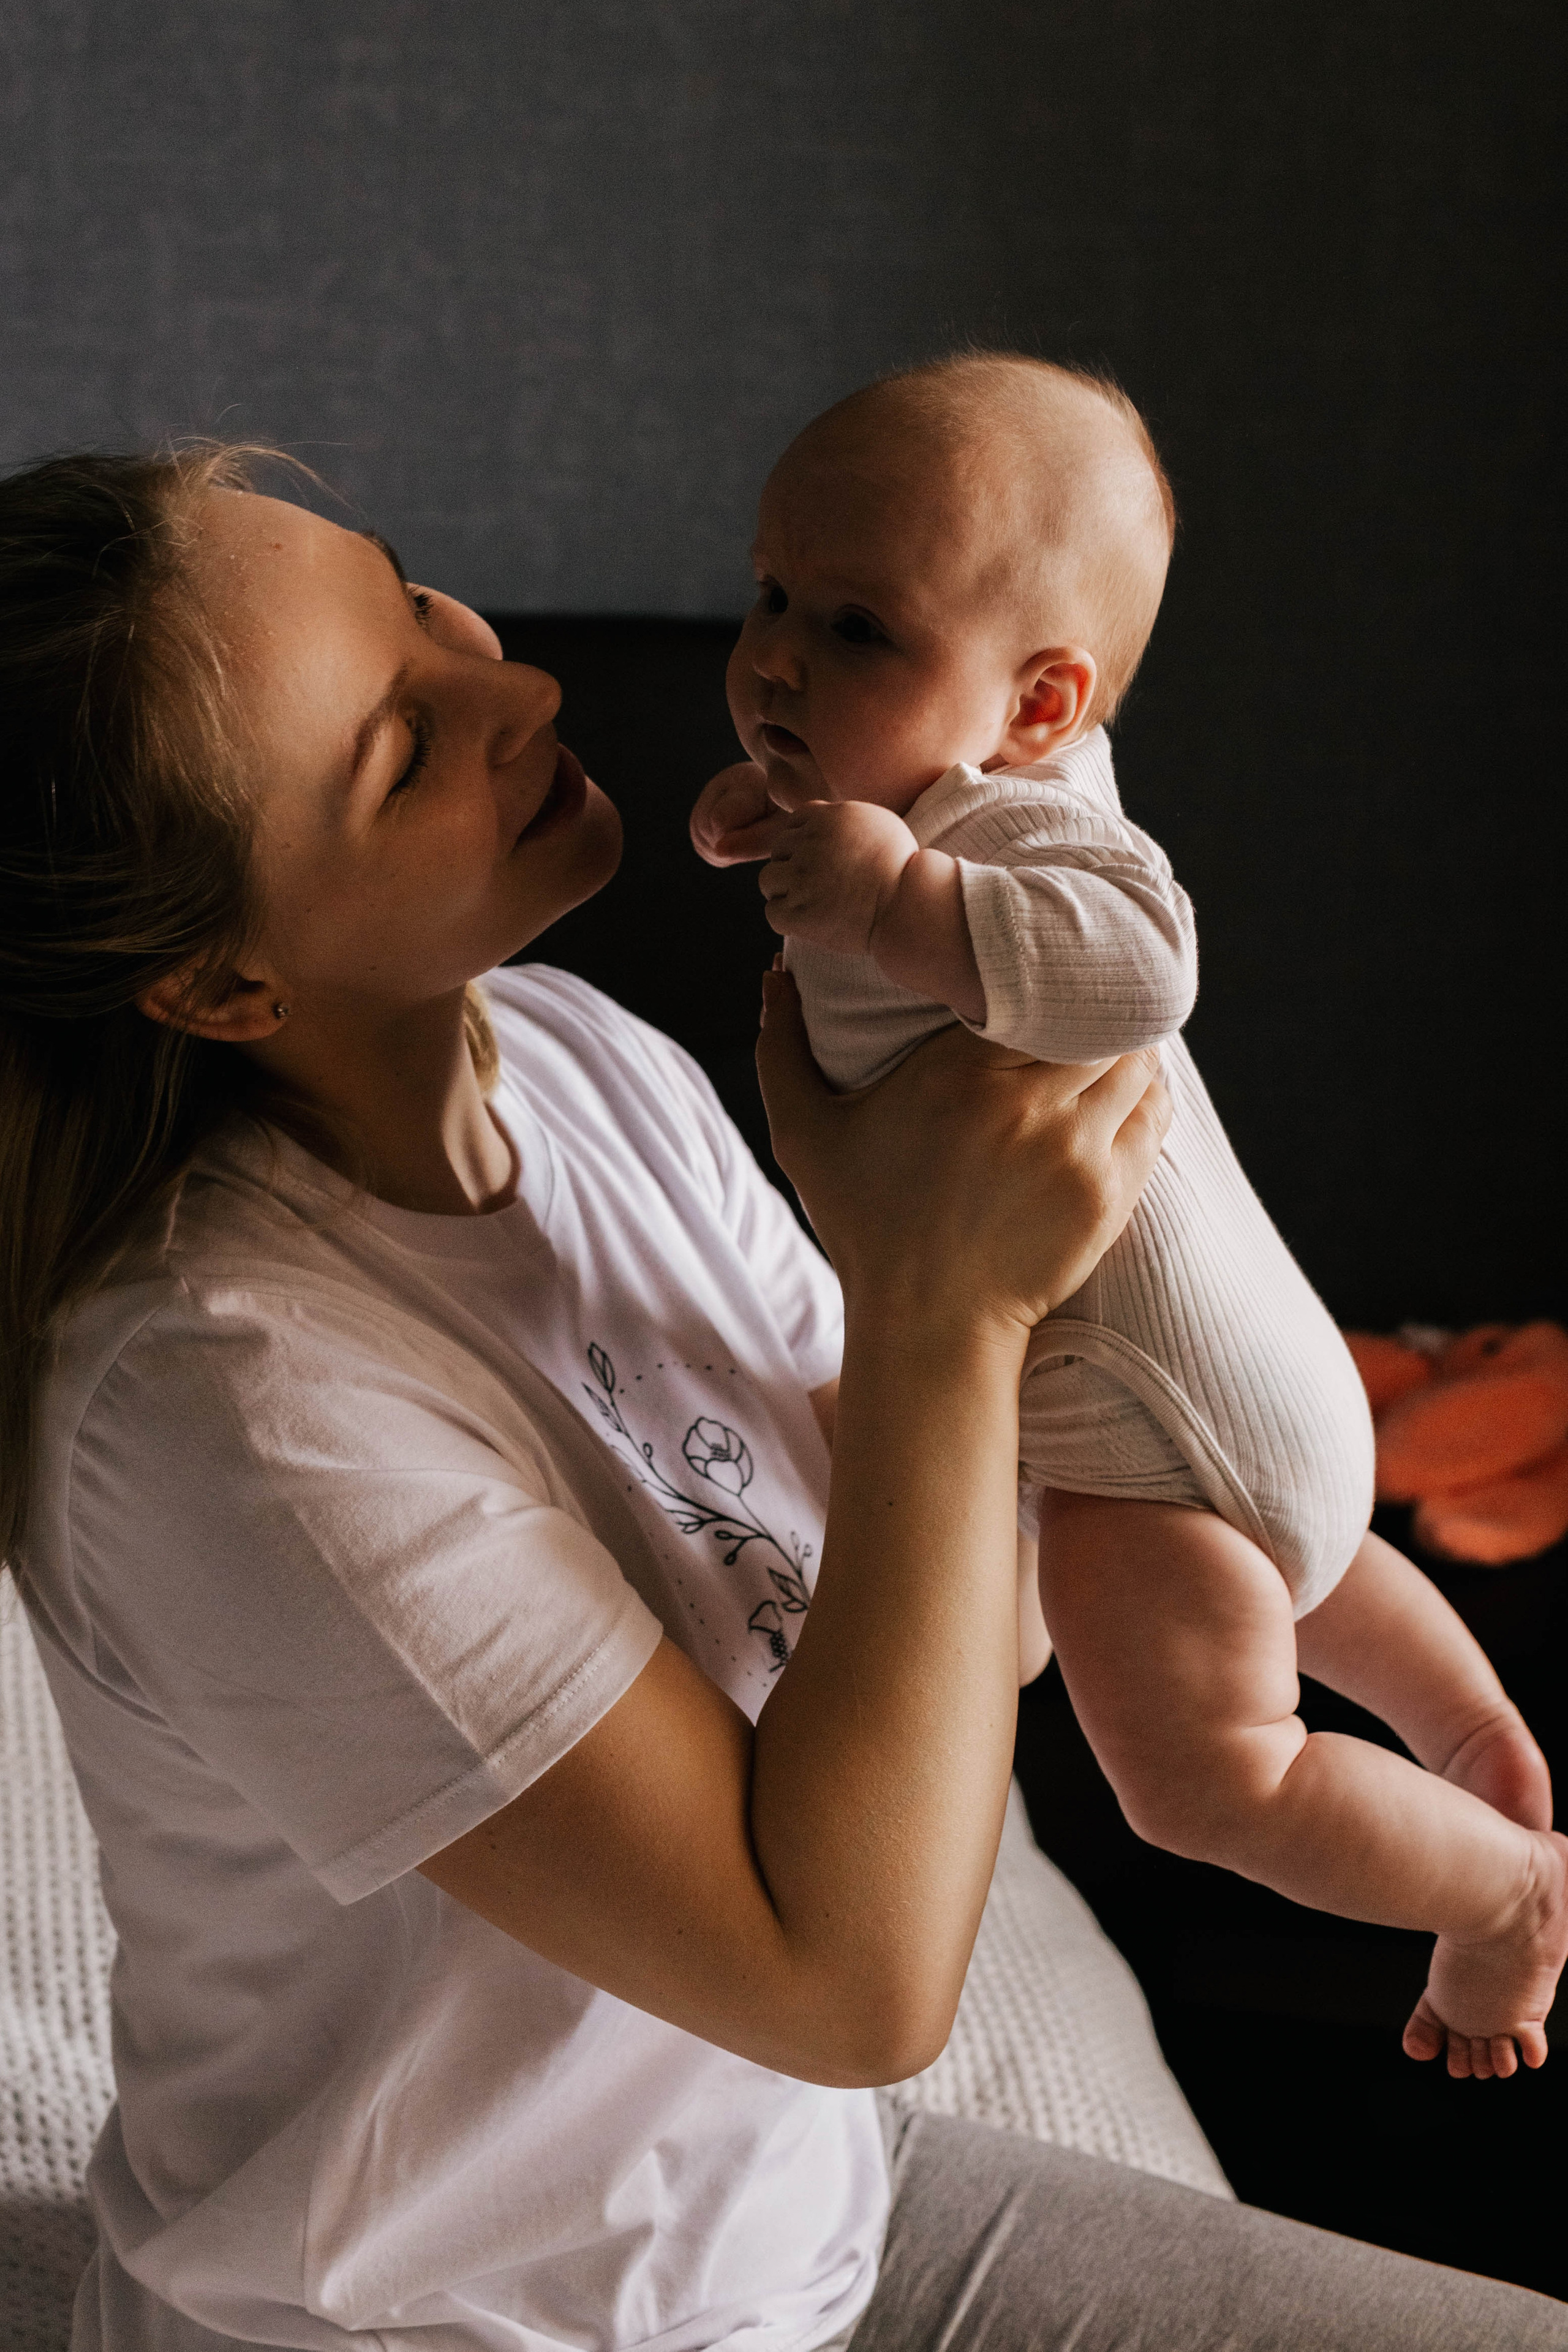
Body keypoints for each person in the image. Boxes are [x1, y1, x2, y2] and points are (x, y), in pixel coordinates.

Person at [1, 443, 1562, 2352]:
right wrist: (935, 1303)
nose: (519, 688)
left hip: (819, 2220)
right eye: (403, 747)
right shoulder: (229, 1400)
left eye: (416, 597)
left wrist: (989, 1300)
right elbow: (857, 1984)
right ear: (220, 984)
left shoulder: (573, 1062)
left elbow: (961, 1643)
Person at [688, 352, 1567, 2081]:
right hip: (1232, 1399)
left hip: (1153, 1440)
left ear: (1040, 708)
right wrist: (802, 831)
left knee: (1206, 1779)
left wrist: (904, 895)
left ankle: (1502, 1900)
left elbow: (1139, 968)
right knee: (1306, 1578)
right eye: (771, 594)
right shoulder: (910, 793)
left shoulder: (1013, 827)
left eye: (855, 628)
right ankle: (1476, 1735)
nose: (777, 654)